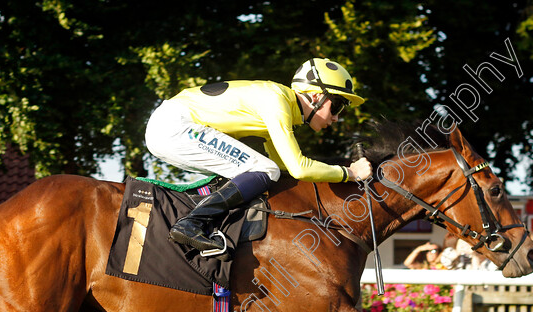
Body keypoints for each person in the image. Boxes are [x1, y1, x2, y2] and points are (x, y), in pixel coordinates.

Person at [145, 58, 373, 252]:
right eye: (338, 106)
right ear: (315, 96)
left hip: (170, 127)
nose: (336, 118)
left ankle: (207, 223)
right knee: (264, 170)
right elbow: (299, 168)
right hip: (174, 126)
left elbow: (283, 165)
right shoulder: (277, 101)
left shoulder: (283, 106)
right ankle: (191, 224)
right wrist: (350, 173)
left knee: (264, 170)